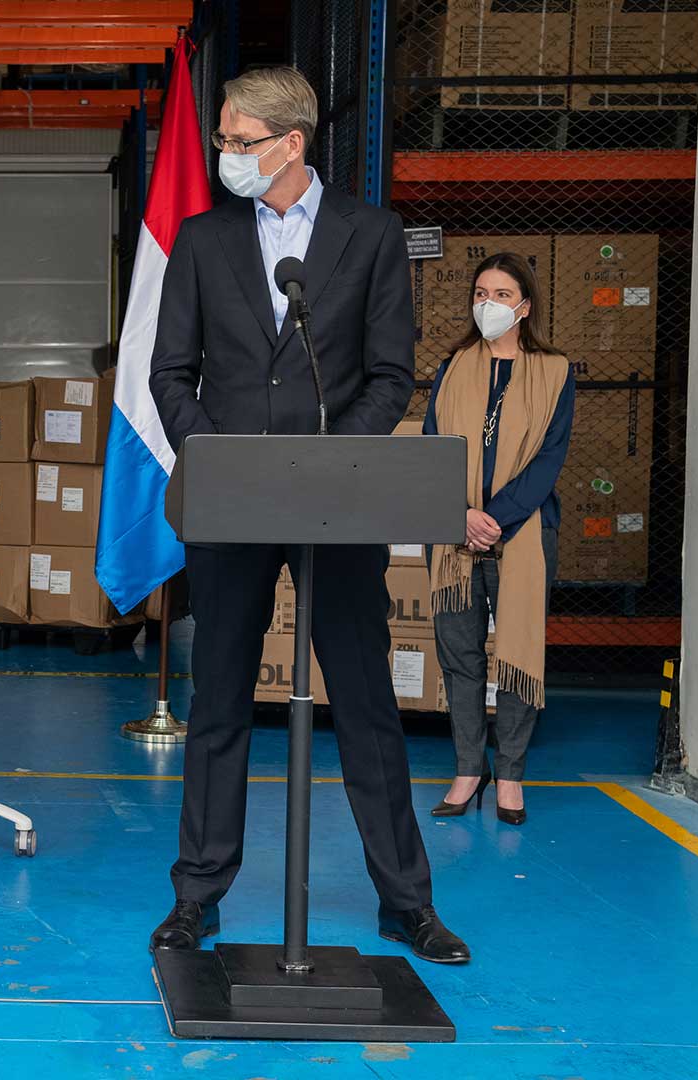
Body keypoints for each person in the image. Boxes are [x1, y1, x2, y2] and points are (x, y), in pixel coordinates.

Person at [146, 67, 469, 964]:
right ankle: (196, 894)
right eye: (221, 140)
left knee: (365, 702)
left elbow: (390, 373)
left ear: (292, 143)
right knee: (218, 704)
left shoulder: (372, 236)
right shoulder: (203, 239)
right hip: (231, 502)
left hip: (339, 505)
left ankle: (407, 900)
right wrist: (217, 457)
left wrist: (332, 465)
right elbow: (170, 371)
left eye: (240, 142)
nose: (225, 156)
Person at [423, 253, 574, 827]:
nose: (489, 304)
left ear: (525, 306)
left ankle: (509, 774)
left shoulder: (555, 371)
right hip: (454, 534)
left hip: (526, 535)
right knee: (460, 657)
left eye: (503, 294)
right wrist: (461, 514)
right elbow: (434, 447)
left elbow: (548, 459)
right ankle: (468, 768)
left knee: (516, 654)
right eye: (481, 293)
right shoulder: (453, 365)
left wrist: (494, 519)